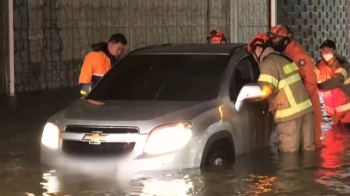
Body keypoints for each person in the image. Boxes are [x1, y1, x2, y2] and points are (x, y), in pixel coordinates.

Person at [247, 33, 315, 152]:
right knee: (307, 152)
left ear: (258, 49)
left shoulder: (268, 63)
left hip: (289, 116)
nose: (253, 58)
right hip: (306, 111)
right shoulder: (284, 58)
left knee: (289, 158)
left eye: (252, 54)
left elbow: (265, 89)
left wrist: (248, 95)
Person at [267, 25, 324, 148]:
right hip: (300, 110)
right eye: (272, 40)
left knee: (311, 146)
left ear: (286, 39)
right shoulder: (285, 54)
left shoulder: (299, 56)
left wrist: (299, 100)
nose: (274, 43)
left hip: (308, 110)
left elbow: (310, 84)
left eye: (276, 39)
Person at [315, 39, 350, 129]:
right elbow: (313, 74)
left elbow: (336, 80)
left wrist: (320, 86)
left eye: (328, 50)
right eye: (323, 50)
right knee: (337, 139)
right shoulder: (320, 65)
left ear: (334, 50)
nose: (325, 52)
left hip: (347, 111)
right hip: (334, 112)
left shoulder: (342, 64)